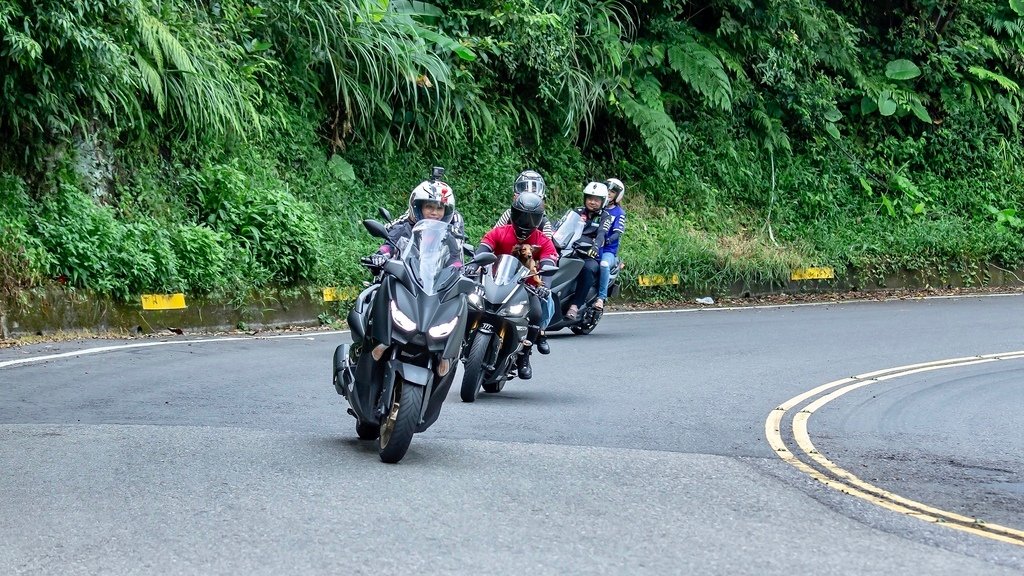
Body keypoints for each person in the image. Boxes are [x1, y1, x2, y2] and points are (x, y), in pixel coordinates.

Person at [467, 191, 557, 379]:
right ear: (513, 214)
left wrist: (544, 286)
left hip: (526, 288)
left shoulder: (543, 240)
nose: (526, 222)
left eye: (532, 218)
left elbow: (549, 262)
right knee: (467, 303)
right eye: (522, 216)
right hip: (493, 282)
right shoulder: (499, 232)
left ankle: (524, 355)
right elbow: (484, 248)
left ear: (539, 219)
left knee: (537, 314)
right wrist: (473, 265)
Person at [370, 179, 461, 268]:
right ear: (419, 208)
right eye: (429, 207)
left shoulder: (447, 237)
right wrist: (381, 255)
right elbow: (388, 246)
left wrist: (460, 270)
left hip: (433, 281)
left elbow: (455, 260)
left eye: (440, 208)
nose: (434, 212)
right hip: (402, 279)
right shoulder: (404, 230)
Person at [560, 181, 614, 320]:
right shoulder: (577, 212)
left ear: (603, 201)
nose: (592, 202)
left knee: (587, 270)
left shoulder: (605, 217)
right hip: (570, 249)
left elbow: (602, 233)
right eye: (590, 198)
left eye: (597, 200)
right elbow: (562, 227)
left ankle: (575, 305)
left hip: (590, 255)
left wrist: (595, 247)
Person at [595, 178, 627, 310]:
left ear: (617, 195)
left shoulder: (619, 213)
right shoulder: (597, 208)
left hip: (608, 250)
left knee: (603, 265)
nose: (608, 193)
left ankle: (601, 298)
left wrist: (606, 240)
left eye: (612, 192)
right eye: (607, 190)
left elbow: (617, 233)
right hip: (592, 245)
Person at [494, 170, 554, 238]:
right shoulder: (509, 214)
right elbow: (493, 237)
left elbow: (548, 246)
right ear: (515, 196)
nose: (529, 195)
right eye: (525, 191)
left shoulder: (544, 223)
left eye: (534, 191)